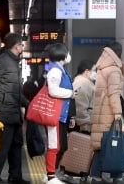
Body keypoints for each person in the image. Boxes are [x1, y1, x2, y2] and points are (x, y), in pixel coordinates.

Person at [0, 33, 30, 184]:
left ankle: (15, 176)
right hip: (3, 111)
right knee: (3, 147)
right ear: (17, 46)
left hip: (14, 112)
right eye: (22, 45)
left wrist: (27, 103)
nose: (23, 47)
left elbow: (15, 90)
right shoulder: (2, 61)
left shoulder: (13, 63)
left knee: (16, 146)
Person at [89, 42, 124, 184]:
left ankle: (96, 176)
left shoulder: (103, 67)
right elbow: (114, 93)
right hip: (109, 111)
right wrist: (117, 113)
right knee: (118, 141)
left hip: (101, 110)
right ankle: (117, 177)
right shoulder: (113, 69)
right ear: (118, 53)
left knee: (103, 144)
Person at [43, 43, 76, 184]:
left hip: (60, 114)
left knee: (60, 145)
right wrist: (71, 93)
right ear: (62, 54)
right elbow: (53, 90)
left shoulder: (60, 70)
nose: (68, 55)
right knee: (54, 145)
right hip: (54, 115)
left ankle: (52, 174)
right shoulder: (55, 71)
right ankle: (50, 176)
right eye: (67, 52)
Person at [72, 59, 96, 133]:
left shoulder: (80, 82)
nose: (96, 73)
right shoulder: (83, 83)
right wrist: (83, 122)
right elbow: (80, 105)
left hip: (84, 122)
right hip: (84, 125)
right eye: (94, 70)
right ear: (86, 72)